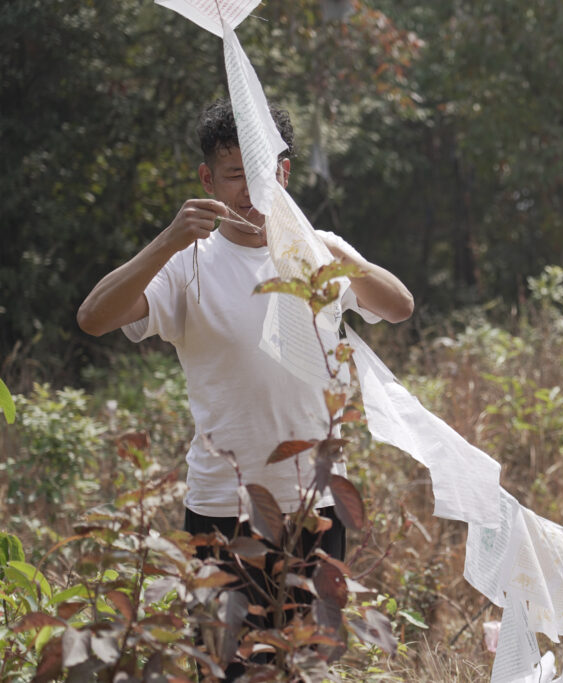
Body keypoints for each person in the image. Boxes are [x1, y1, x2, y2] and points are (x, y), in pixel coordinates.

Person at [77, 99, 414, 677]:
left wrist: (329, 251)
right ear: (207, 180)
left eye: (264, 176)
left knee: (307, 667)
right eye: (235, 177)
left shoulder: (318, 248)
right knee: (223, 668)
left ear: (283, 173)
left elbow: (399, 305)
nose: (252, 194)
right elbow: (93, 317)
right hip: (220, 511)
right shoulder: (189, 264)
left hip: (313, 507)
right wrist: (166, 241)